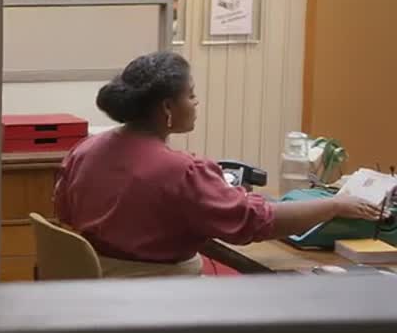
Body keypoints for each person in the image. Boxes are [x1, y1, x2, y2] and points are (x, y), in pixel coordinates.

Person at [53, 51, 382, 277]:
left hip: (98, 291)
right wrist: (334, 205)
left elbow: (65, 211)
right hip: (159, 298)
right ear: (167, 108)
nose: (196, 103)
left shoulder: (86, 150)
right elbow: (256, 223)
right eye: (190, 95)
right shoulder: (182, 171)